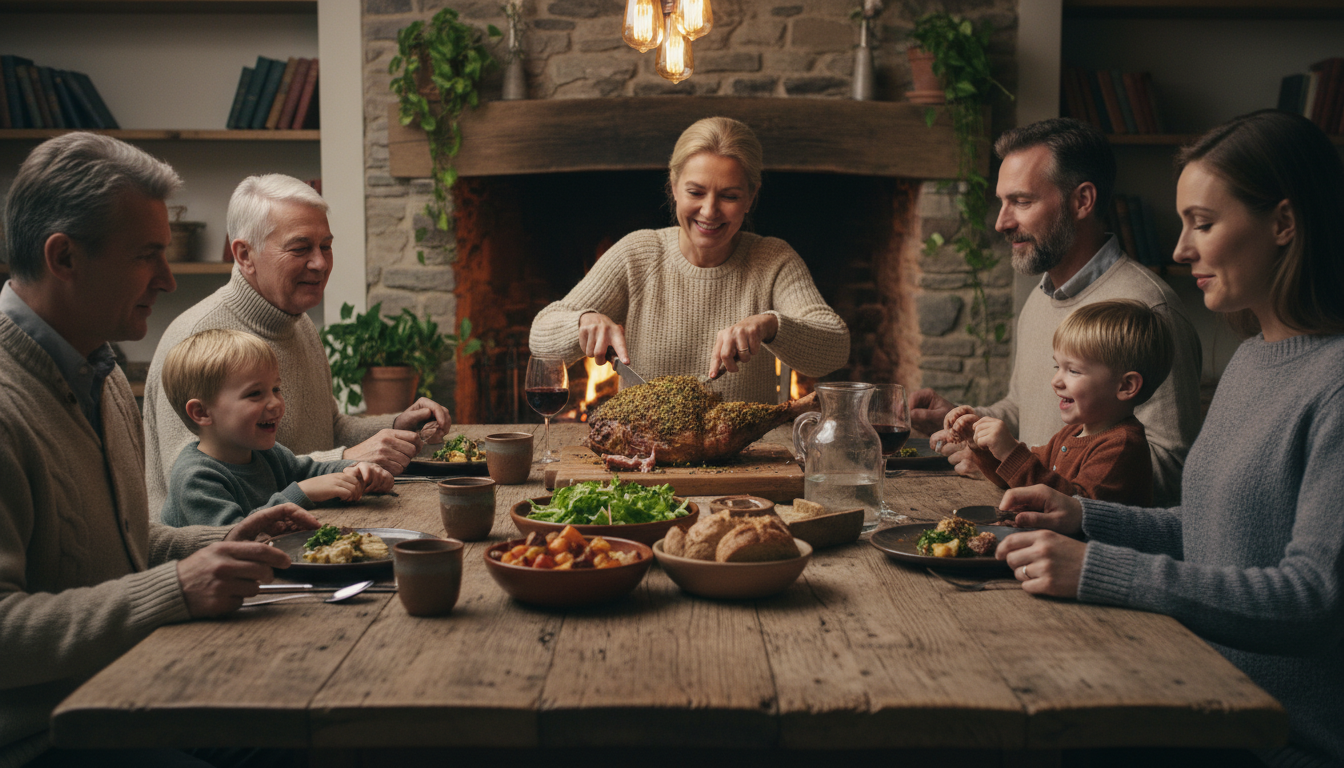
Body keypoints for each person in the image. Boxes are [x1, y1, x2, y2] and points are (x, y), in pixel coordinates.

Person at [995, 110, 1344, 768]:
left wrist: (1100, 569)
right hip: (1194, 690)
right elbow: (1216, 528)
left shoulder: (1334, 385)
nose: (1181, 249)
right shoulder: (1249, 360)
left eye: (1202, 223)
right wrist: (1083, 516)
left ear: (1284, 224)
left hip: (1274, 737)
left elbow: (1311, 599)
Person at [0, 133, 318, 767]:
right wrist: (174, 588)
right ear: (63, 257)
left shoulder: (104, 371)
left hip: (136, 687)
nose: (169, 279)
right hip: (52, 737)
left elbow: (115, 543)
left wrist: (215, 544)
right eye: (147, 256)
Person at [909, 118, 1202, 505]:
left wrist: (1017, 462)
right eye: (1002, 202)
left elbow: (1169, 472)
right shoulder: (1040, 296)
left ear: (1082, 201)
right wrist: (971, 422)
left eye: (1022, 201)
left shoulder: (1148, 309)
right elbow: (1021, 408)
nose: (1001, 222)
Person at [143, 174, 452, 514]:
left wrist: (395, 426)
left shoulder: (299, 321)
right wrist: (345, 460)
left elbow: (329, 428)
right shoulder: (196, 340)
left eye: (326, 246)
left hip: (311, 522)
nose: (320, 263)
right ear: (245, 254)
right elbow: (202, 489)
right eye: (300, 248)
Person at [528, 116, 849, 404]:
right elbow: (540, 338)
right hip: (645, 460)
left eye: (729, 196)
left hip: (749, 461)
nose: (709, 211)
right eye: (696, 192)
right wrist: (582, 322)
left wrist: (771, 325)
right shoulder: (638, 254)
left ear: (751, 197)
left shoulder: (773, 260)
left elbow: (836, 347)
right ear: (674, 187)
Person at [944, 299, 1171, 506]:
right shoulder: (1071, 433)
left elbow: (1071, 507)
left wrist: (1011, 451)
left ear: (1126, 386)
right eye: (1057, 367)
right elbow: (1014, 479)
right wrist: (981, 446)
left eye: (1073, 370)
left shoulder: (1122, 446)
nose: (1055, 381)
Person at [159, 329, 394, 528]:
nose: (275, 403)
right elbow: (233, 538)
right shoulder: (196, 478)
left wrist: (355, 470)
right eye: (254, 394)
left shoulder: (267, 454)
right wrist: (301, 493)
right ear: (202, 413)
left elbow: (310, 472)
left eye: (276, 389)